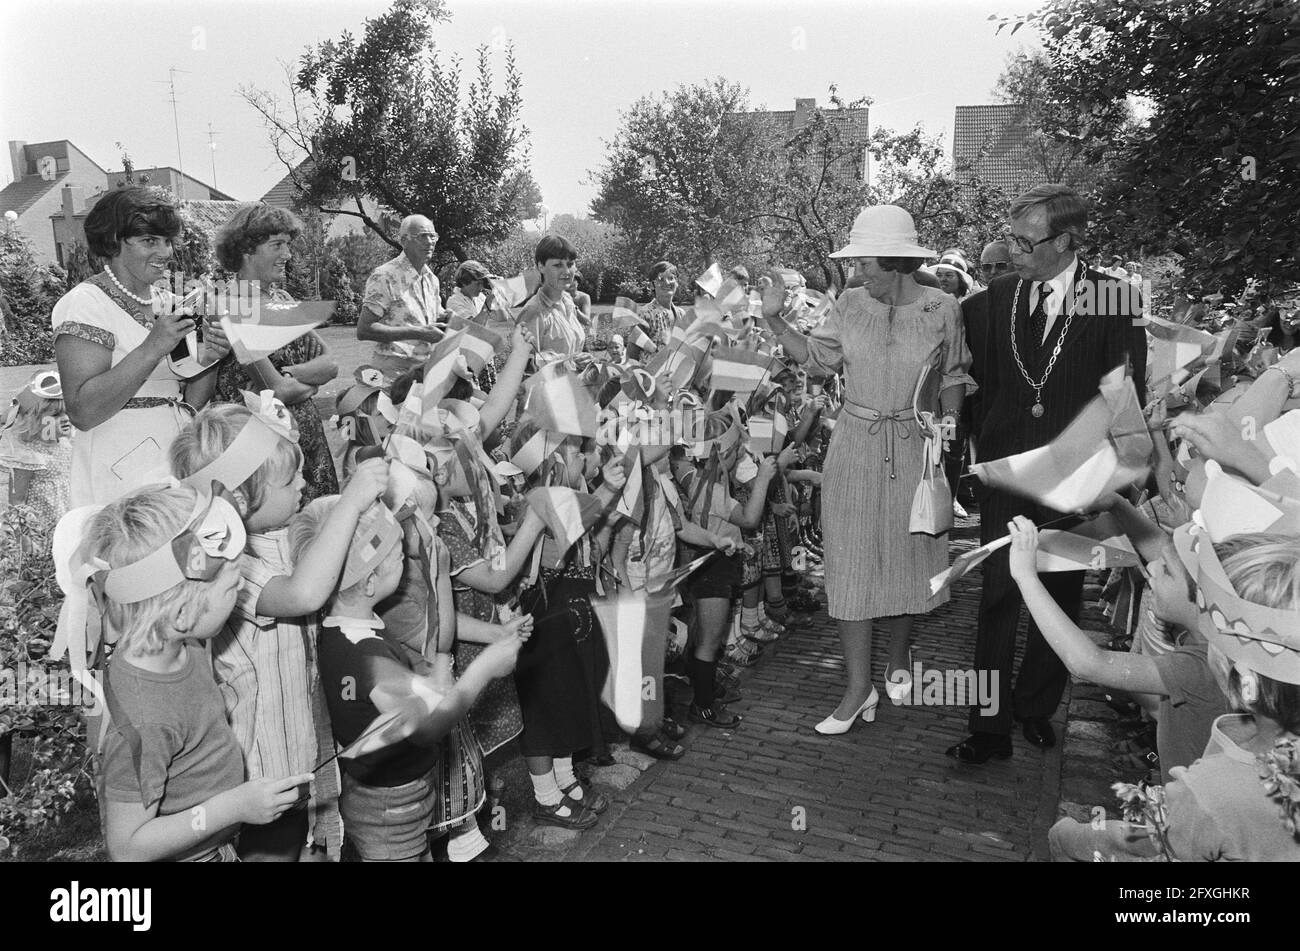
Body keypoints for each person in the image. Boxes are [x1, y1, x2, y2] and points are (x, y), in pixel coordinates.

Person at [948, 184, 1147, 764]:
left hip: (1076, 479)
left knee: (1058, 594)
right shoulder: (992, 300)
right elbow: (972, 385)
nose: (1013, 252)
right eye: (1011, 238)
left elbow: (1124, 390)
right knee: (997, 595)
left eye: (1024, 241)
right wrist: (970, 455)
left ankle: (1035, 708)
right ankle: (988, 728)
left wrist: (1123, 473)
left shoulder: (1114, 299)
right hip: (1008, 475)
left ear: (1064, 241)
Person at [762, 205, 974, 734]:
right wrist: (772, 318)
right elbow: (815, 358)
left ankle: (899, 655)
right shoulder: (851, 303)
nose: (857, 275)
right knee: (851, 562)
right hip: (855, 443)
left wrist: (949, 420)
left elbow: (954, 373)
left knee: (906, 556)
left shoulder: (942, 307)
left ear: (897, 262)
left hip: (913, 444)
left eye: (865, 265)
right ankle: (858, 690)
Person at [170, 403, 390, 860]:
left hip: (298, 746)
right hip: (258, 767)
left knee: (298, 843)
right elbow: (303, 594)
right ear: (241, 499)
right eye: (289, 482)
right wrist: (351, 501)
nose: (304, 486)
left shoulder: (276, 535)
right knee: (271, 850)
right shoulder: (230, 563)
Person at [84, 483, 314, 862]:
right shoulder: (146, 719)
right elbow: (127, 848)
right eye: (232, 588)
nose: (241, 591)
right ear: (180, 613)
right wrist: (232, 808)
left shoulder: (185, 646)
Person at [1044, 530, 1300, 861]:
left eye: (1214, 633)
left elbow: (1133, 842)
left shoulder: (1213, 790)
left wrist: (1067, 836)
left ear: (1244, 679)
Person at [299, 493, 528, 862]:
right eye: (396, 555)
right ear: (370, 582)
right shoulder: (364, 653)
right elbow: (430, 726)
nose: (405, 556)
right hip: (390, 807)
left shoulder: (346, 628)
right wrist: (485, 667)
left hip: (390, 798)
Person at [52, 186, 230, 506]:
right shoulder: (85, 303)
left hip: (176, 451)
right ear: (114, 241)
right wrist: (153, 347)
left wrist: (211, 359)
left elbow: (192, 400)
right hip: (118, 462)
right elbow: (82, 411)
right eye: (150, 241)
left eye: (167, 241)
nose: (166, 252)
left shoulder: (171, 303)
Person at [212, 203, 339, 503]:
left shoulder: (282, 298)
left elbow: (331, 363)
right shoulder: (233, 306)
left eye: (288, 245)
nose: (288, 255)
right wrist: (309, 380)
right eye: (277, 245)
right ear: (246, 250)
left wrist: (293, 375)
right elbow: (276, 391)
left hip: (309, 448)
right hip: (268, 455)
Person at [358, 214, 445, 380]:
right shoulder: (385, 276)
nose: (429, 242)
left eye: (432, 236)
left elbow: (430, 314)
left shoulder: (431, 278)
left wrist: (449, 318)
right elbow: (364, 330)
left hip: (425, 370)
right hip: (394, 372)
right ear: (404, 241)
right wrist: (420, 333)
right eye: (422, 236)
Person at [1, 370, 71, 534]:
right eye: (56, 414)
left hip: (64, 519)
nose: (65, 418)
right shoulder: (29, 455)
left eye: (67, 412)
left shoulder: (66, 445)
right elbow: (16, 499)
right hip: (39, 528)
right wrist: (19, 533)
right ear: (33, 419)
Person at [518, 234, 586, 362]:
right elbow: (524, 364)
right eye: (558, 265)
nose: (566, 271)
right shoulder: (534, 311)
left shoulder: (567, 301)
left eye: (570, 264)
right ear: (541, 266)